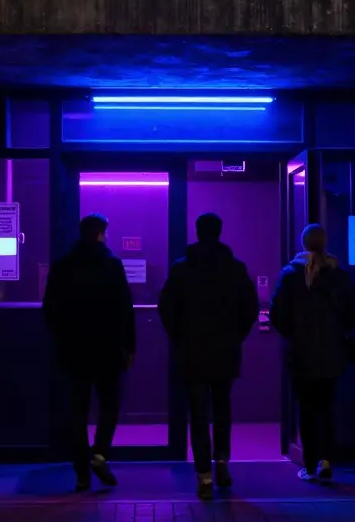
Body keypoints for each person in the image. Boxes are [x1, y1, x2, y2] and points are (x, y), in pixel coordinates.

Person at [158, 213, 260, 500]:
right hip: (225, 351)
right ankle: (222, 462)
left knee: (199, 413)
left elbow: (166, 308)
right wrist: (235, 336)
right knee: (222, 409)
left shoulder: (182, 269)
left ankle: (203, 474)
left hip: (191, 352)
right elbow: (250, 308)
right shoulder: (235, 268)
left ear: (197, 232)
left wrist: (179, 337)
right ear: (220, 232)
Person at [43, 213, 136, 492]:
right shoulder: (111, 265)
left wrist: (60, 340)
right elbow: (124, 309)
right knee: (109, 405)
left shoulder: (62, 266)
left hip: (73, 351)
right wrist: (129, 346)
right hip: (107, 349)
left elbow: (50, 309)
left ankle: (81, 472)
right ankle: (100, 454)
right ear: (100, 233)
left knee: (77, 412)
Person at [268, 223, 355, 483]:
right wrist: (339, 331)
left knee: (307, 409)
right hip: (333, 353)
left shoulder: (290, 275)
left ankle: (309, 465)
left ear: (303, 243)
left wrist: (295, 335)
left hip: (301, 353)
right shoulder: (338, 275)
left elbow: (277, 314)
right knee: (327, 408)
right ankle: (326, 460)